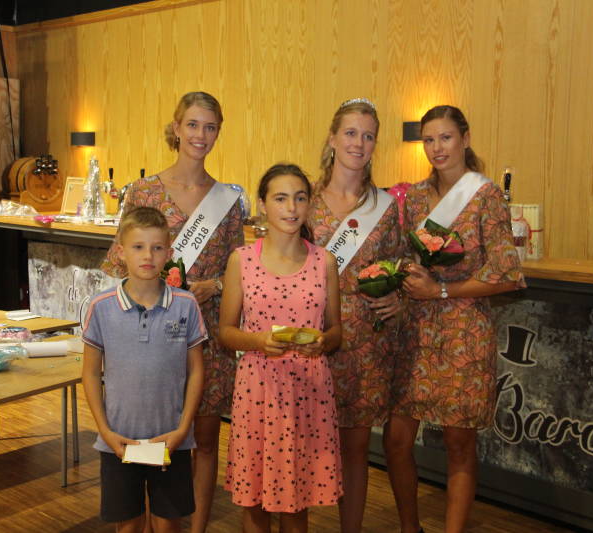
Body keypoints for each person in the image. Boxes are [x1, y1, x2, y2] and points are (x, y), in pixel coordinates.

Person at [101, 91, 244, 533]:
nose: (201, 135)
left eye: (210, 127)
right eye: (193, 125)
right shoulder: (143, 191)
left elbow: (239, 270)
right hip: (149, 336)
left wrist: (213, 286)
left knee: (204, 441)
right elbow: (119, 264)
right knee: (148, 436)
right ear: (177, 128)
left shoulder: (228, 200)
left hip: (206, 333)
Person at [385, 105, 525, 533]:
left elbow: (506, 274)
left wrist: (442, 290)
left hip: (465, 332)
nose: (436, 148)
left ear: (465, 138)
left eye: (445, 137)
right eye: (428, 140)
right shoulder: (415, 197)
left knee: (458, 443)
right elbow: (406, 257)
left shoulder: (485, 196)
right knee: (396, 439)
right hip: (416, 330)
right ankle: (410, 527)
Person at [219, 163, 344, 533]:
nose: (291, 208)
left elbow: (337, 331)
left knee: (297, 502)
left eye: (300, 198)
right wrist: (258, 341)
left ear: (309, 204)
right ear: (263, 205)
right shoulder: (242, 260)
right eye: (281, 198)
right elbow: (226, 332)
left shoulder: (325, 262)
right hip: (258, 390)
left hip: (308, 392)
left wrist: (323, 342)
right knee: (254, 501)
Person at [307, 97, 404, 533]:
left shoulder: (384, 207)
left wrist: (399, 298)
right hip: (309, 340)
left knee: (355, 450)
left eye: (368, 136)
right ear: (332, 138)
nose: (358, 143)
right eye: (350, 133)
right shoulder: (304, 201)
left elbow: (400, 265)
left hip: (365, 343)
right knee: (301, 445)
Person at [82, 206, 206, 533]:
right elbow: (90, 374)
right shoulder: (101, 307)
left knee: (168, 523)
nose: (148, 255)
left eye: (157, 247)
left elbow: (196, 372)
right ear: (121, 252)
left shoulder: (185, 304)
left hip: (172, 439)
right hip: (119, 440)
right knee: (129, 524)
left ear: (169, 253)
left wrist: (182, 429)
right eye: (138, 247)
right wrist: (106, 432)